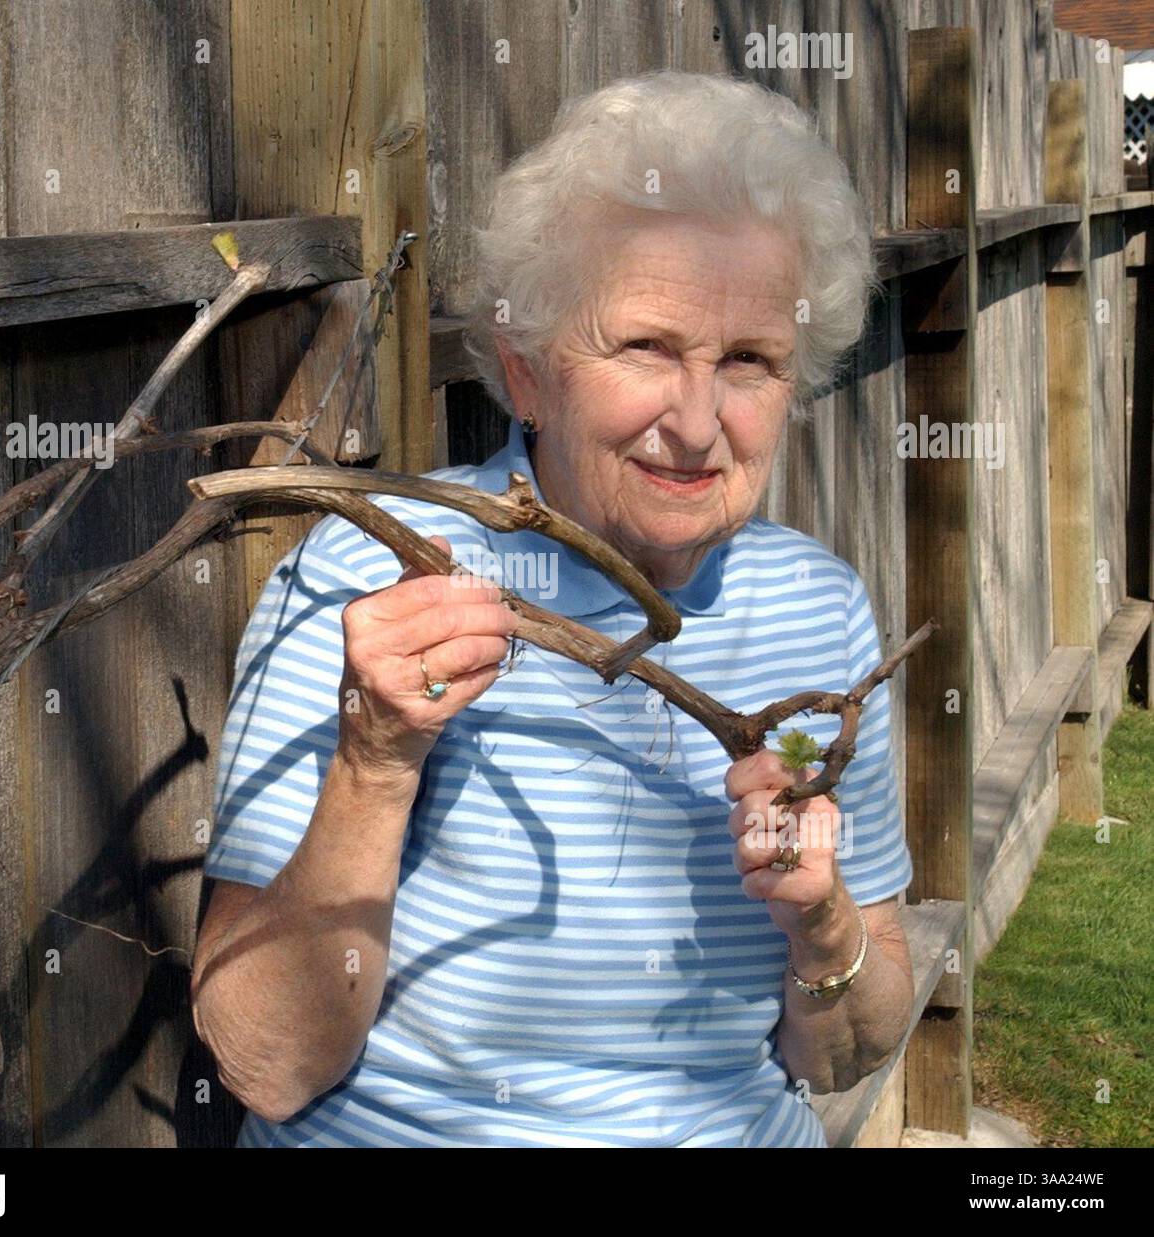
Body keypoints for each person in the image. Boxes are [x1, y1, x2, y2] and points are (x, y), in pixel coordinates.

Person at [191, 69, 915, 1147]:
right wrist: (375, 758)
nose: (699, 421)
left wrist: (821, 923)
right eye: (647, 348)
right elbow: (265, 1061)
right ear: (526, 375)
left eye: (751, 361)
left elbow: (847, 1048)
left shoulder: (817, 611)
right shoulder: (376, 581)